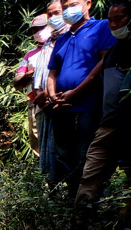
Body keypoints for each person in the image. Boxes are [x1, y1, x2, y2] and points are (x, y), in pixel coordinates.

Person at [47, 0, 118, 192]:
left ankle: (91, 200)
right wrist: (53, 96)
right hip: (61, 107)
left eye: (74, 4)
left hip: (88, 104)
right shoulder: (62, 38)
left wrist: (77, 92)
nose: (69, 9)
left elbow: (104, 61)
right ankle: (72, 199)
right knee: (63, 154)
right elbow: (52, 72)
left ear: (88, 4)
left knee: (85, 153)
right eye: (66, 5)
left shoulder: (101, 27)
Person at [75, 0, 130, 222]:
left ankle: (125, 226)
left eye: (120, 19)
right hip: (108, 123)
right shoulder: (112, 53)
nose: (114, 25)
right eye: (111, 20)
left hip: (128, 123)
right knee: (92, 171)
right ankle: (81, 220)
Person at [15, 14, 56, 157]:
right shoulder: (29, 55)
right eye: (34, 30)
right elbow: (17, 82)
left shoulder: (60, 46)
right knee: (37, 138)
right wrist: (29, 74)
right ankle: (45, 172)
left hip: (56, 98)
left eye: (41, 28)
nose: (37, 32)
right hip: (34, 102)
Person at [38, 1, 69, 178]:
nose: (54, 18)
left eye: (58, 12)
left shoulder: (70, 38)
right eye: (50, 14)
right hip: (44, 106)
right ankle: (54, 195)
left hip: (62, 101)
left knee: (66, 151)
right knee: (49, 153)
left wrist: (49, 95)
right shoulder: (49, 41)